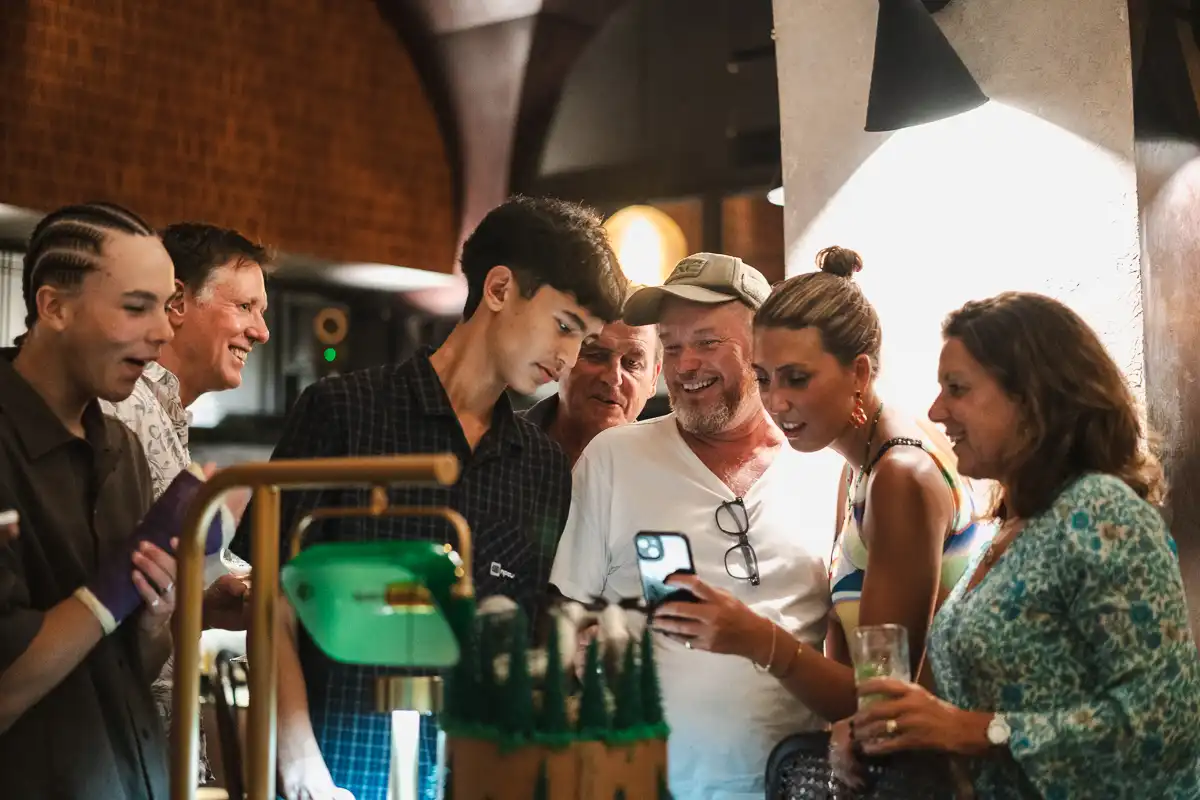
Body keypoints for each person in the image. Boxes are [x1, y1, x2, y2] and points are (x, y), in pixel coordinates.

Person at [229, 195, 626, 800]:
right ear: (499, 289)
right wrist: (300, 764)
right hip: (336, 775)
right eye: (565, 326)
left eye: (585, 339)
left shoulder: (543, 465)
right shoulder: (344, 413)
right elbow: (269, 600)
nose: (569, 357)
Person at [845, 292, 1200, 798]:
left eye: (957, 389)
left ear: (1034, 399)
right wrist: (882, 730)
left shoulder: (1101, 514)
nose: (936, 410)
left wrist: (977, 731)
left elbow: (1167, 719)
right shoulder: (1013, 524)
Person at [648, 247, 990, 735]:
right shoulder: (863, 462)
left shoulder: (900, 474)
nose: (776, 401)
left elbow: (883, 702)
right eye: (763, 378)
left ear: (859, 373)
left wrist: (756, 638)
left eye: (797, 379)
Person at [550, 252, 845, 800]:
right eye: (672, 346)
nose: (686, 365)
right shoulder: (614, 457)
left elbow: (852, 641)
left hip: (791, 783)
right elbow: (568, 615)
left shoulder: (825, 466)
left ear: (762, 346)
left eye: (708, 342)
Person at [0, 202, 182, 798]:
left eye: (166, 306)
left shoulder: (123, 448)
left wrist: (153, 618)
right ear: (54, 307)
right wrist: (116, 588)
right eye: (136, 306)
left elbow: (128, 670)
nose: (164, 332)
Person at [103, 221, 271, 784]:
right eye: (245, 306)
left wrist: (203, 604)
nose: (262, 331)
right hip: (118, 752)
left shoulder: (163, 413)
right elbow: (108, 594)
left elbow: (146, 587)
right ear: (177, 303)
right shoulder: (126, 410)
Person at [521, 317, 660, 465]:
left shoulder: (666, 472)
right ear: (560, 359)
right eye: (596, 355)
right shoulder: (503, 439)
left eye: (632, 363)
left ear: (654, 379)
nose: (613, 378)